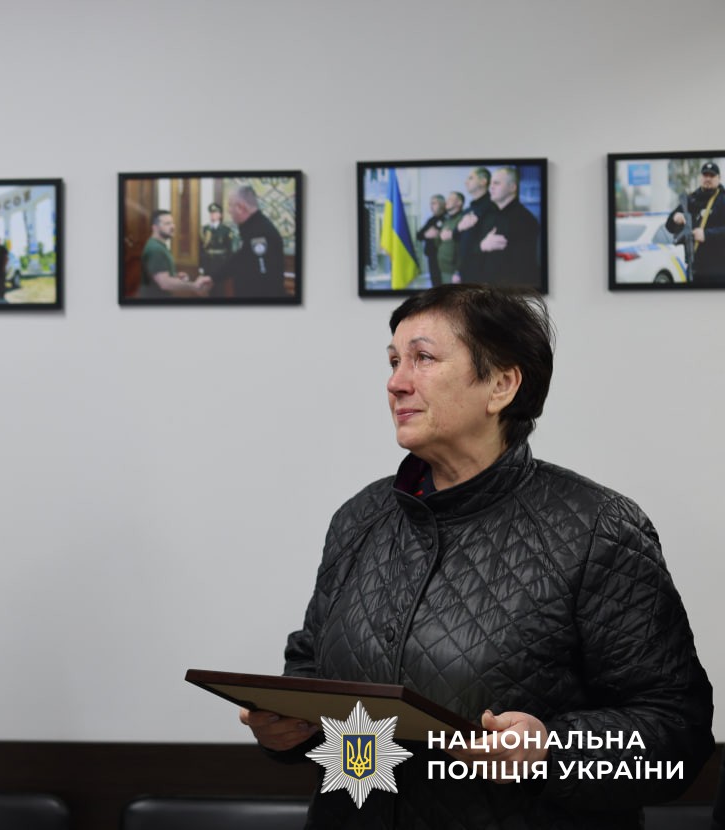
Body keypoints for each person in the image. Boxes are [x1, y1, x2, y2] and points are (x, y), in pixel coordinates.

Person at [240, 285, 714, 829]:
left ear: (501, 385)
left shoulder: (597, 528)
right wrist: (288, 730)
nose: (396, 382)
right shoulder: (359, 518)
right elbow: (312, 672)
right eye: (393, 362)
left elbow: (676, 733)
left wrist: (550, 750)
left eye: (423, 358)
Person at [209, 186, 287, 298]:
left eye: (230, 205)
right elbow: (240, 258)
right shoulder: (252, 228)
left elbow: (263, 278)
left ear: (241, 207)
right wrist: (213, 278)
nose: (228, 210)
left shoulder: (260, 232)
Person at [470, 166, 541, 286]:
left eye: (496, 183)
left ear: (512, 187)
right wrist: (483, 245)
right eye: (491, 183)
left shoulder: (526, 220)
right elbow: (474, 249)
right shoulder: (488, 216)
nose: (491, 187)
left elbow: (525, 267)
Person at [665, 161, 725, 283]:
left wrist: (706, 235)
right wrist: (675, 218)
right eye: (705, 175)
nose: (708, 179)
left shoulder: (723, 200)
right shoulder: (691, 199)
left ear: (719, 178)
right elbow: (669, 226)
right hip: (694, 268)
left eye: (712, 176)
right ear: (700, 177)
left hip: (719, 270)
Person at [140, 210, 212, 298]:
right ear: (155, 228)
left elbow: (157, 275)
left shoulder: (160, 246)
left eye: (172, 223)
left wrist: (174, 276)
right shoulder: (155, 249)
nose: (172, 226)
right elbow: (164, 283)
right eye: (167, 224)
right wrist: (194, 285)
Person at [453, 167, 492, 282]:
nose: (466, 182)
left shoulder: (492, 207)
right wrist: (459, 227)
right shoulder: (468, 210)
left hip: (484, 274)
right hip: (465, 271)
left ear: (483, 181)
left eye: (470, 178)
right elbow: (457, 238)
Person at [199, 201, 234, 292]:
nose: (212, 215)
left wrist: (228, 267)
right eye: (211, 213)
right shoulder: (204, 229)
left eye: (215, 213)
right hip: (208, 263)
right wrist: (201, 266)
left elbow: (229, 250)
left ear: (220, 215)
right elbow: (201, 249)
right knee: (208, 289)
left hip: (220, 263)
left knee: (219, 289)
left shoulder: (226, 230)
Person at [415, 193, 445, 287]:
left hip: (442, 258)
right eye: (431, 203)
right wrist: (426, 235)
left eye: (434, 203)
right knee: (435, 284)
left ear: (442, 204)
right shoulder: (431, 220)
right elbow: (419, 235)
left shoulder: (447, 218)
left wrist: (438, 234)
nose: (431, 206)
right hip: (431, 256)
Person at [436, 190, 465, 284]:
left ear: (459, 203)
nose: (447, 201)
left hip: (454, 272)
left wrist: (458, 271)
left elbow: (464, 247)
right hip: (443, 268)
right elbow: (439, 241)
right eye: (447, 199)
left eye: (450, 199)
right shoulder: (447, 219)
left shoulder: (463, 220)